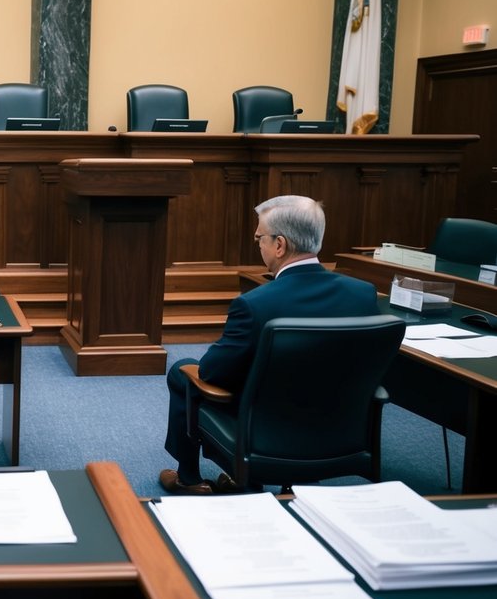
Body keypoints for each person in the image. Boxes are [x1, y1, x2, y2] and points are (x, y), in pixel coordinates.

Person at [159, 195, 379, 495]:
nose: (257, 243)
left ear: (279, 245)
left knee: (182, 372)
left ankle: (189, 478)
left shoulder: (254, 305)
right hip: (337, 430)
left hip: (265, 432)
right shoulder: (363, 295)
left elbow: (212, 373)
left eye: (259, 237)